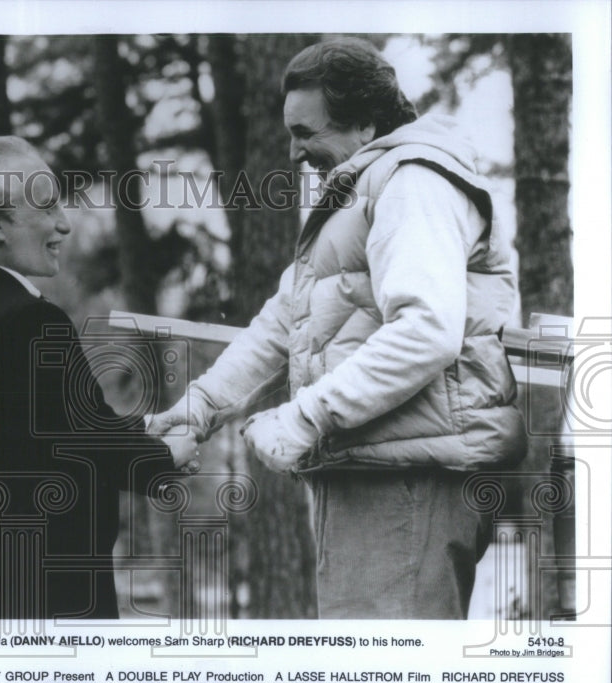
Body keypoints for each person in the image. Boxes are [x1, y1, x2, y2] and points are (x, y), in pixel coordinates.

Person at [148, 38, 527, 619]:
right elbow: (281, 321)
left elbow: (427, 329)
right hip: (378, 469)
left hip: (412, 478)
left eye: (307, 133)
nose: (295, 152)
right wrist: (198, 406)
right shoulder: (365, 190)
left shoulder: (412, 184)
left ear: (366, 121)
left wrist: (305, 416)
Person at [0, 136, 198, 620]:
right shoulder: (29, 319)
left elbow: (46, 432)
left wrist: (141, 431)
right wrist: (166, 454)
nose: (64, 224)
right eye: (48, 208)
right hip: (41, 591)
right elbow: (83, 439)